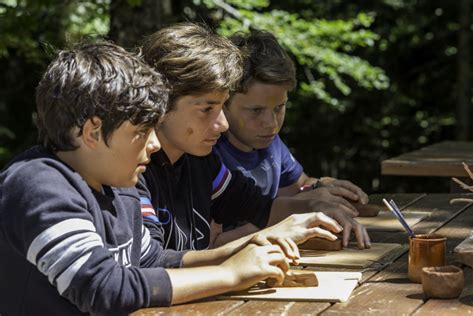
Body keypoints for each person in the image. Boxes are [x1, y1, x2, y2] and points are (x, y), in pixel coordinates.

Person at [0, 41, 308, 315]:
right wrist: (229, 274)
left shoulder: (118, 186)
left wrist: (241, 251)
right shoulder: (39, 185)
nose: (155, 144)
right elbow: (101, 288)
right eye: (140, 131)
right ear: (93, 132)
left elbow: (150, 261)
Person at [138, 23, 362, 253]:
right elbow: (151, 267)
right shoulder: (133, 171)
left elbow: (259, 207)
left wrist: (314, 206)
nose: (222, 124)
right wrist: (248, 256)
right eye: (207, 109)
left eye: (223, 106)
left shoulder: (202, 162)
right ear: (160, 103)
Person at [214, 30, 371, 249]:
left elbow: (297, 187)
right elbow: (212, 246)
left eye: (279, 107)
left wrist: (324, 187)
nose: (271, 123)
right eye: (256, 110)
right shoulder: (207, 153)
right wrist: (304, 208)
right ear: (222, 102)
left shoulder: (270, 142)